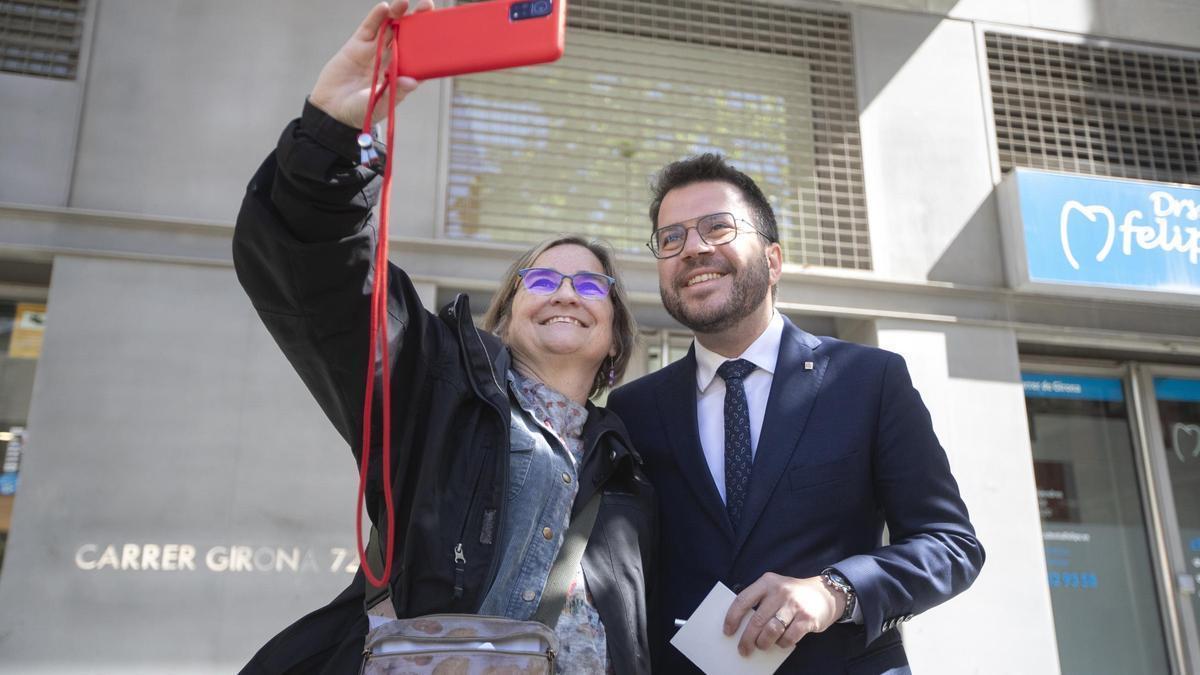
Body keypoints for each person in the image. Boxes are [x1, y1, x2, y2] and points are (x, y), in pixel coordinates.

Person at [232, 2, 655, 673]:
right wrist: (332, 135)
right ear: (508, 313)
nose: (567, 292)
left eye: (591, 285)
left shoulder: (629, 460)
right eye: (541, 282)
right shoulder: (438, 389)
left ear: (614, 337)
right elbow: (329, 278)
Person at [606, 154, 984, 673]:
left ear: (774, 260)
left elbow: (951, 546)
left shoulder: (868, 380)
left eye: (717, 228)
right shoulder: (633, 410)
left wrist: (836, 592)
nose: (693, 248)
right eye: (671, 239)